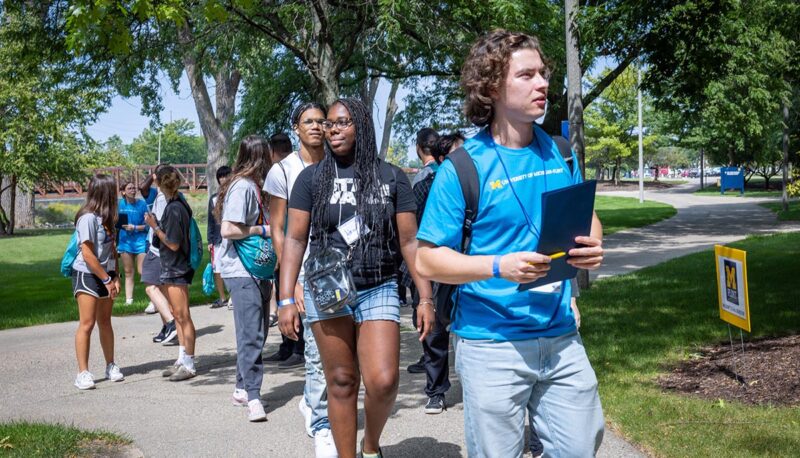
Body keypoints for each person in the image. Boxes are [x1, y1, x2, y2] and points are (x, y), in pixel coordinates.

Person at [416, 30, 605, 457]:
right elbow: (427, 259)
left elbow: (587, 217)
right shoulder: (463, 168)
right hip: (491, 343)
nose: (542, 84)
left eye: (543, 73)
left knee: (580, 448)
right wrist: (499, 266)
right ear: (493, 87)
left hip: (560, 336)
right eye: (527, 75)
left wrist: (594, 241)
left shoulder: (559, 152)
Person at [279, 98, 435, 458]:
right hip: (328, 288)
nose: (333, 129)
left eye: (343, 122)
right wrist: (286, 298)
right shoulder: (312, 178)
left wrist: (425, 298)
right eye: (329, 123)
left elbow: (410, 242)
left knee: (383, 380)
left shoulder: (392, 177)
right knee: (342, 380)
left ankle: (371, 445)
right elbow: (294, 239)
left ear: (361, 126)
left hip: (378, 284)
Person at [264, 103, 336, 457]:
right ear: (295, 128)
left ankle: (311, 400)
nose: (316, 127)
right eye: (308, 121)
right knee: (315, 345)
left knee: (337, 347)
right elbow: (278, 230)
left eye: (321, 121)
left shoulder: (337, 163)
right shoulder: (283, 171)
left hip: (338, 269)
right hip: (304, 269)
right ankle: (321, 420)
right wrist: (289, 284)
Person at [215, 135, 273, 422]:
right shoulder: (243, 187)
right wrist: (264, 230)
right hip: (241, 269)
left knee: (257, 331)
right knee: (251, 334)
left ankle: (241, 387)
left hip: (255, 269)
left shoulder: (252, 186)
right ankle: (253, 395)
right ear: (262, 157)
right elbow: (228, 229)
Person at [406, 131, 464, 377]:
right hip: (433, 259)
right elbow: (414, 230)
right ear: (442, 158)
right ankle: (436, 385)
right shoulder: (426, 184)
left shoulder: (474, 180)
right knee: (435, 320)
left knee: (451, 319)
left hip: (465, 261)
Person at [145, 166, 198, 382]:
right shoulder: (174, 205)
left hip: (177, 267)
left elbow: (174, 244)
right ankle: (181, 358)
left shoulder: (175, 209)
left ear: (159, 183)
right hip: (171, 267)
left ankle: (190, 363)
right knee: (177, 315)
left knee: (183, 316)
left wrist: (154, 227)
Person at [71, 174, 124, 390]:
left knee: (105, 322)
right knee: (87, 323)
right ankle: (82, 373)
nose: (117, 194)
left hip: (106, 274)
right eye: (114, 190)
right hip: (88, 274)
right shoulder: (88, 219)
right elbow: (88, 255)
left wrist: (116, 276)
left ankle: (110, 365)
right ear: (106, 192)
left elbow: (113, 249)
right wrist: (106, 279)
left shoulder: (108, 218)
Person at [264, 131, 306, 368]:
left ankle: (297, 348)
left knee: (289, 298)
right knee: (283, 297)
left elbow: (279, 222)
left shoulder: (284, 171)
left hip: (289, 247)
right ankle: (286, 346)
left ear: (272, 151)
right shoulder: (289, 169)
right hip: (287, 244)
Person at [139, 169, 178, 343]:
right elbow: (143, 188)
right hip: (162, 250)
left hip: (158, 250)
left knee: (150, 286)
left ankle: (172, 323)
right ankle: (168, 327)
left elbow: (163, 226)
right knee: (162, 290)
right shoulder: (171, 197)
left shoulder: (162, 199)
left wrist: (152, 223)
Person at [117, 180, 149, 305]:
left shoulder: (142, 204)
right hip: (125, 242)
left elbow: (147, 225)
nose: (133, 190)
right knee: (128, 272)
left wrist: (134, 227)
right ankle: (129, 300)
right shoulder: (121, 204)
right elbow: (118, 223)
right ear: (123, 192)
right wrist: (121, 225)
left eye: (134, 188)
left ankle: (153, 299)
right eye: (129, 188)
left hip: (140, 241)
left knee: (143, 271)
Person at [207, 166, 233, 309]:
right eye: (220, 177)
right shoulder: (214, 198)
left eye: (225, 176)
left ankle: (232, 297)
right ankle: (222, 297)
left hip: (231, 237)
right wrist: (210, 239)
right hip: (217, 238)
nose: (223, 179)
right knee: (217, 269)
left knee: (230, 267)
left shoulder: (235, 194)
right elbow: (211, 220)